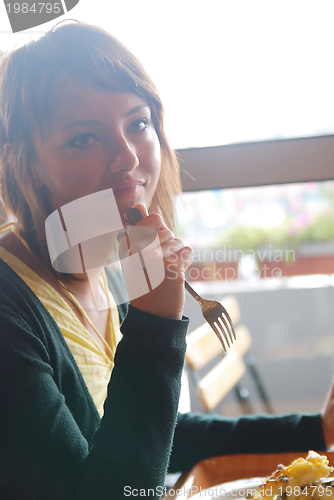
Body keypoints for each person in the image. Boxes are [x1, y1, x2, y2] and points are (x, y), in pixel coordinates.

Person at [0, 20, 333, 500]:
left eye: (138, 123)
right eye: (83, 138)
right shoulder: (11, 306)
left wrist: (314, 431)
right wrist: (155, 327)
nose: (128, 159)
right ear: (21, 162)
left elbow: (149, 433)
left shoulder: (104, 265)